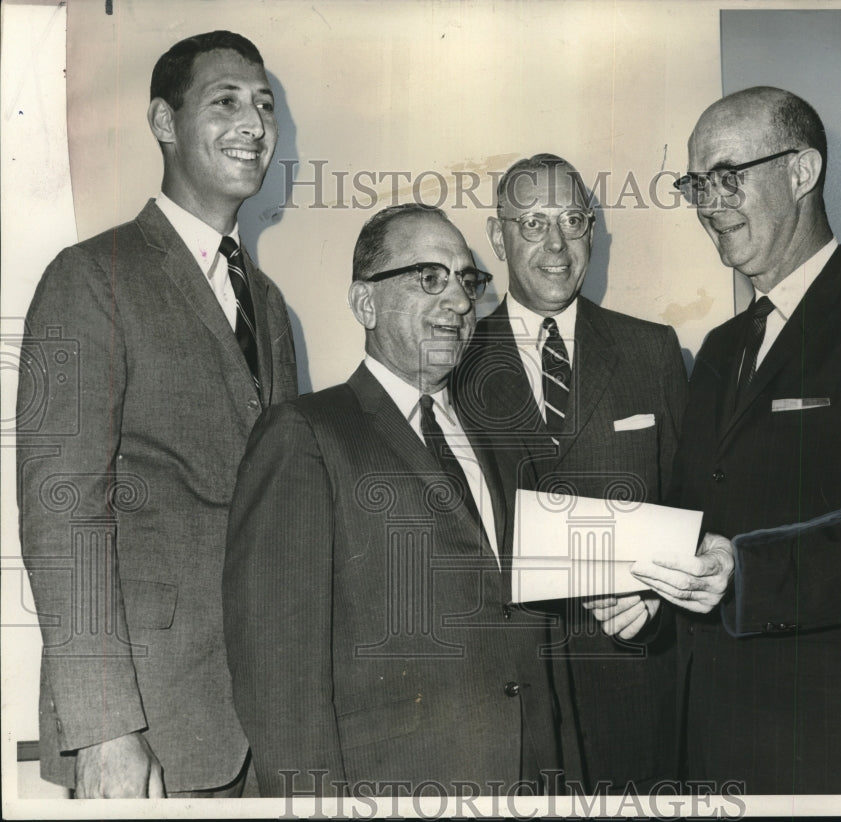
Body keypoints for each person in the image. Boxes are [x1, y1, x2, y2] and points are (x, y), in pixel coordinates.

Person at [608, 86, 841, 793]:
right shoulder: (719, 348)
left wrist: (743, 574)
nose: (707, 203)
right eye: (694, 184)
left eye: (727, 175)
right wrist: (655, 594)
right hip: (722, 750)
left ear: (802, 173)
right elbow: (703, 529)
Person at [16, 31, 298, 798]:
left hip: (259, 722)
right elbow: (62, 513)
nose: (254, 123)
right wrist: (106, 727)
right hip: (150, 730)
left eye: (265, 106)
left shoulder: (269, 308)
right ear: (164, 123)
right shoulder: (89, 277)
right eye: (227, 101)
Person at [223, 203, 567, 797]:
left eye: (467, 280)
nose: (459, 302)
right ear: (366, 303)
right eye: (430, 278)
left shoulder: (501, 437)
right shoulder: (306, 433)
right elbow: (278, 674)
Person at [453, 155, 689, 792]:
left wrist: (657, 599)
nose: (557, 245)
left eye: (573, 220)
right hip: (506, 697)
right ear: (498, 237)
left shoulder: (654, 351)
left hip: (634, 688)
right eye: (532, 224)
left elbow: (696, 509)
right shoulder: (452, 364)